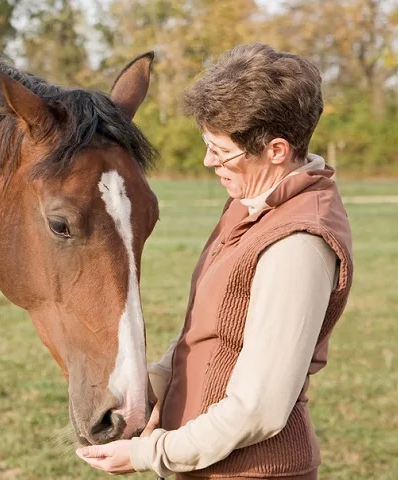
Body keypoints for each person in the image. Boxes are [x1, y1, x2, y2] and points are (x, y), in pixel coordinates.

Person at [76, 42, 354, 479]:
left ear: (276, 150)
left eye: (221, 151)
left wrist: (150, 455)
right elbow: (210, 334)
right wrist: (145, 385)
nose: (209, 161)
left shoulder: (297, 243)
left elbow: (259, 409)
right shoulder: (251, 203)